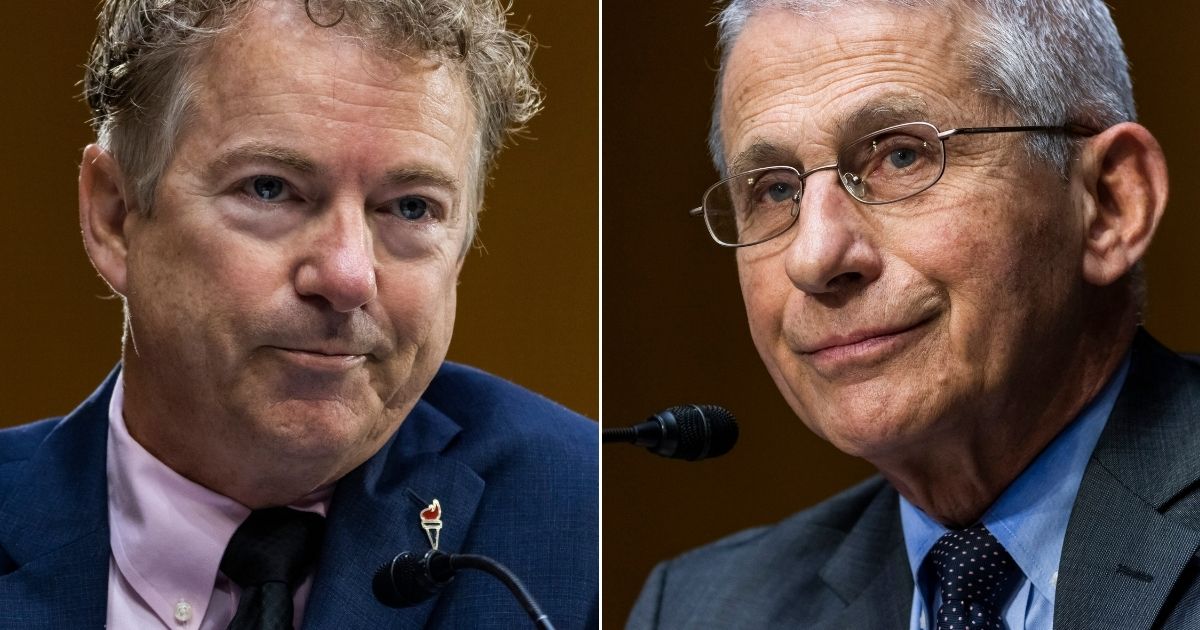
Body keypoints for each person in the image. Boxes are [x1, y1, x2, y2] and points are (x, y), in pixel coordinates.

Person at [0, 0, 597, 628]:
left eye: (412, 207)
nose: (346, 276)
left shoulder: (581, 525)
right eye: (270, 188)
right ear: (116, 217)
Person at [627, 0, 1200, 628]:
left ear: (1109, 203)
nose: (814, 258)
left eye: (900, 156)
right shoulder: (700, 609)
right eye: (775, 190)